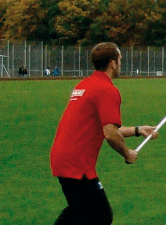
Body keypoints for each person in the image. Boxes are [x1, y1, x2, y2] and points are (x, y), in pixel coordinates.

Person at [50, 42, 159, 224]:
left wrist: (139, 130)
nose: (121, 64)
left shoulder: (85, 85)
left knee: (79, 212)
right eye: (120, 60)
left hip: (62, 157)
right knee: (101, 215)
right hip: (77, 164)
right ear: (113, 63)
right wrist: (127, 153)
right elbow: (110, 134)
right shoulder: (107, 90)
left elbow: (106, 128)